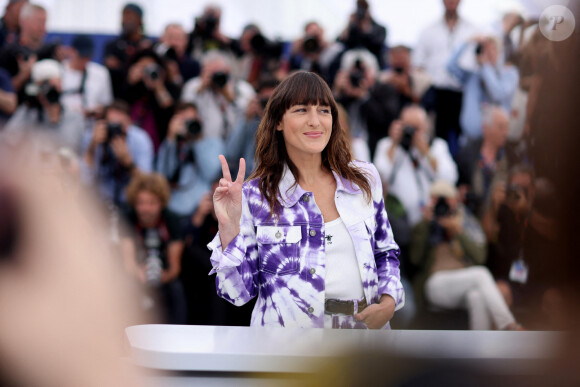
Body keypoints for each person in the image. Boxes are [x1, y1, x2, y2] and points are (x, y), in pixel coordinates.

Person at [208, 71, 404, 329]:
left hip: (362, 348)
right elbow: (237, 294)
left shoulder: (363, 180)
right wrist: (229, 226)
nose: (315, 121)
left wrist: (389, 302)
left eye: (324, 110)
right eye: (301, 110)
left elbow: (385, 251)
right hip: (286, 352)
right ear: (278, 121)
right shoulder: (255, 195)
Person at [409, 180, 522, 330]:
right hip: (435, 283)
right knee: (481, 274)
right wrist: (426, 224)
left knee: (476, 297)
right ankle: (509, 325)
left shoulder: (466, 222)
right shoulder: (423, 225)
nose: (442, 204)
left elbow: (480, 257)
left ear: (455, 201)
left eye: (447, 199)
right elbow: (414, 259)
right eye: (437, 199)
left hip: (462, 283)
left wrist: (459, 231)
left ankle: (480, 348)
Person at [373, 105, 458, 227]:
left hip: (428, 219)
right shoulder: (386, 145)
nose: (410, 132)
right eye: (407, 127)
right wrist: (393, 144)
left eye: (416, 128)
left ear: (426, 128)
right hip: (397, 219)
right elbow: (380, 176)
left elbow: (449, 178)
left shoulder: (437, 146)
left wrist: (426, 153)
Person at [120, 173, 187, 324]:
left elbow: (174, 267)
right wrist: (139, 273)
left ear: (161, 203)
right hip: (136, 273)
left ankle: (178, 332)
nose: (145, 208)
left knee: (176, 290)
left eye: (151, 203)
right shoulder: (127, 219)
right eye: (141, 203)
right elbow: (128, 262)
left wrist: (163, 276)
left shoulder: (172, 220)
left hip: (164, 274)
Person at [412, 0, 477, 153]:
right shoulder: (428, 31)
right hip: (437, 94)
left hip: (462, 94)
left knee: (463, 142)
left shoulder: (472, 30)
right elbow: (418, 64)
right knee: (436, 140)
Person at [156, 102, 223, 219]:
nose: (188, 125)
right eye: (184, 122)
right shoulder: (171, 145)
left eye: (191, 121)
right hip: (174, 208)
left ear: (199, 120)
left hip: (202, 209)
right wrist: (171, 139)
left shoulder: (213, 143)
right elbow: (163, 176)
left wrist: (197, 139)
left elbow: (211, 173)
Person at [446, 35, 519, 141]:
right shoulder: (472, 76)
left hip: (494, 141)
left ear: (500, 52)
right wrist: (467, 42)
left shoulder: (509, 74)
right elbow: (450, 66)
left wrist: (485, 67)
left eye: (493, 48)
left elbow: (497, 93)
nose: (488, 53)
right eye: (484, 49)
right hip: (469, 140)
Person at [3, 59, 85, 152]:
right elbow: (6, 143)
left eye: (53, 84)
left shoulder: (74, 119)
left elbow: (81, 158)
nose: (48, 89)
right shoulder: (27, 114)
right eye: (44, 84)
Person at [81, 100, 153, 206]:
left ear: (129, 123)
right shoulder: (92, 136)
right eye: (111, 124)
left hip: (128, 202)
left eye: (120, 125)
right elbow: (84, 179)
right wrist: (92, 148)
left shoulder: (140, 139)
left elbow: (147, 184)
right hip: (99, 201)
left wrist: (128, 163)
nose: (115, 129)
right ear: (103, 122)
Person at [333, 48, 399, 158]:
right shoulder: (343, 92)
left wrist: (364, 97)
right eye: (353, 71)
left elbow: (386, 121)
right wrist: (337, 92)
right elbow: (332, 115)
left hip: (375, 149)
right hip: (344, 148)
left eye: (363, 70)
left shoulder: (385, 90)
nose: (358, 75)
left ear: (374, 71)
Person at [181, 50, 255, 139]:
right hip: (206, 139)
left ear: (228, 70)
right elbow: (184, 111)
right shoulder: (194, 85)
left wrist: (231, 97)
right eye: (212, 73)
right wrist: (201, 89)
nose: (216, 77)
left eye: (219, 72)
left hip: (237, 139)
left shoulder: (242, 87)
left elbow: (249, 115)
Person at [455, 105, 509, 218]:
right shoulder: (466, 154)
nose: (505, 132)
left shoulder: (510, 157)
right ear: (485, 128)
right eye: (501, 127)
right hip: (471, 216)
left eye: (507, 128)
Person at [103, 3, 153, 99]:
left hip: (144, 96)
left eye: (129, 16)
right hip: (119, 96)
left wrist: (122, 65)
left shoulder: (148, 45)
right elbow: (112, 70)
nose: (125, 20)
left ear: (139, 19)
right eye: (123, 16)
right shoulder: (112, 45)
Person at [61, 34, 113, 120]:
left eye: (88, 56)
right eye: (81, 56)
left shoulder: (101, 73)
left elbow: (106, 104)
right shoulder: (58, 71)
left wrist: (96, 111)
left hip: (90, 127)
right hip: (63, 125)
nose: (85, 60)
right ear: (70, 51)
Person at [338, 0, 387, 69]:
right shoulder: (353, 26)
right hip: (351, 54)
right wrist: (349, 25)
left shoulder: (380, 28)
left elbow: (378, 45)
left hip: (371, 56)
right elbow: (340, 40)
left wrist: (366, 29)